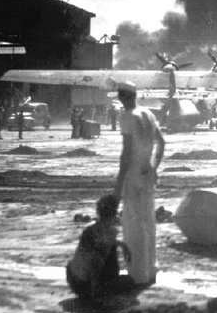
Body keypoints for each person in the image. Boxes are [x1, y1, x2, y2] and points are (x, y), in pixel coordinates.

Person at [114, 81, 165, 287]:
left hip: (133, 174)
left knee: (134, 224)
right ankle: (150, 270)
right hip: (147, 173)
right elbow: (161, 142)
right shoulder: (149, 114)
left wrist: (118, 182)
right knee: (148, 222)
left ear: (122, 96)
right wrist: (154, 166)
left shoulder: (127, 116)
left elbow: (126, 154)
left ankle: (137, 274)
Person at [66, 194, 131, 300]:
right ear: (114, 214)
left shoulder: (90, 230)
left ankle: (100, 289)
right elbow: (96, 262)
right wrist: (96, 292)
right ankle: (100, 291)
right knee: (129, 283)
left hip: (75, 280)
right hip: (87, 285)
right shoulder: (109, 234)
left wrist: (122, 244)